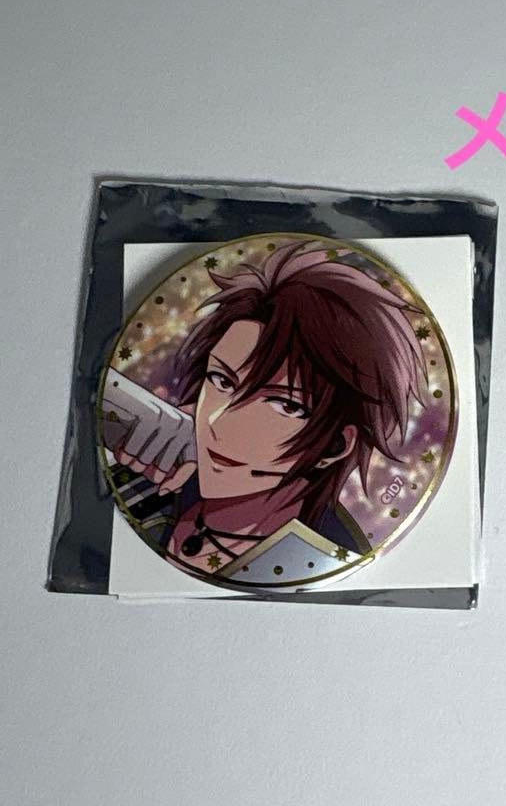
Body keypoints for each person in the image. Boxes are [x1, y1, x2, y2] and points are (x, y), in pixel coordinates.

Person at [104, 241, 425, 582]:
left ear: (335, 446)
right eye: (222, 381)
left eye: (285, 404)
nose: (219, 422)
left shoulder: (319, 556)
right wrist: (127, 417)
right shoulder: (152, 473)